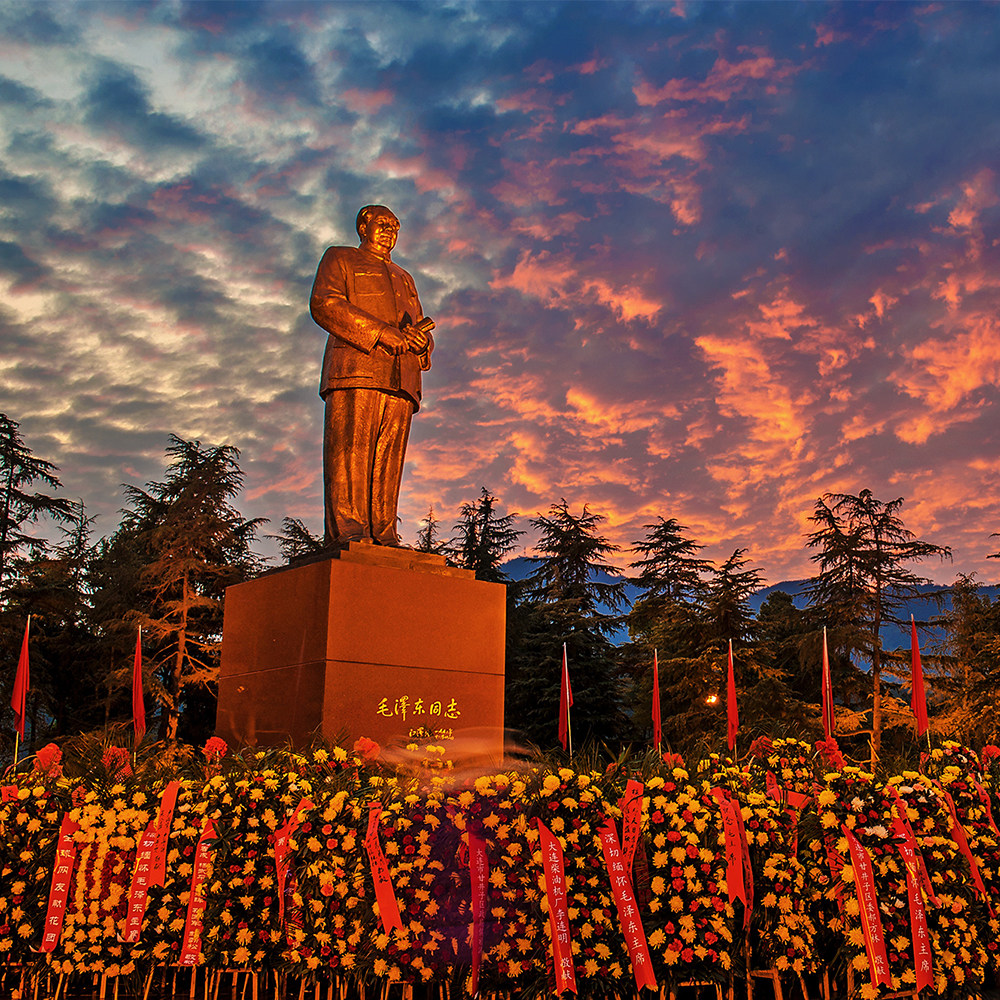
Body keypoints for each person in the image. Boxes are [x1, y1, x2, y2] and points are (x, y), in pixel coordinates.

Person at [310, 205, 434, 546]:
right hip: (356, 368)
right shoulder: (341, 258)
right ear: (363, 226)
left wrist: (423, 343)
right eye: (383, 223)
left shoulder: (405, 278)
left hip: (401, 378)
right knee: (351, 451)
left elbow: (416, 322)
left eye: (395, 225)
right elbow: (324, 303)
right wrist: (380, 332)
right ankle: (349, 530)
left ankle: (384, 531)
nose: (390, 230)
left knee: (389, 460)